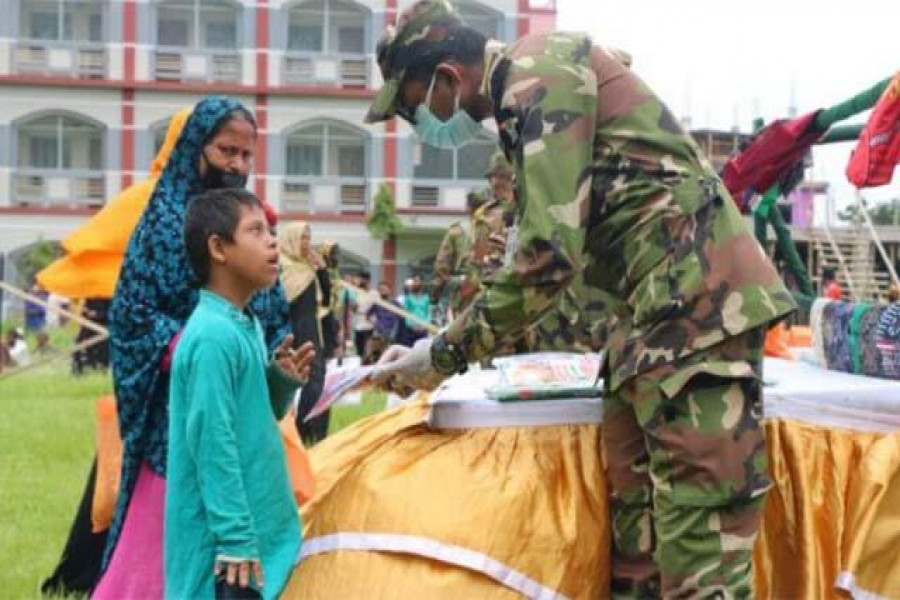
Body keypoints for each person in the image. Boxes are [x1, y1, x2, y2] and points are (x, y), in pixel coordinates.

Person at [366, 3, 796, 597]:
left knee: (702, 562)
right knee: (637, 553)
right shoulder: (525, 99)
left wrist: (438, 356)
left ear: (447, 76)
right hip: (645, 328)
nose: (420, 123)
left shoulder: (538, 71)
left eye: (416, 107)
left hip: (696, 308)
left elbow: (547, 257)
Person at [95, 96, 312, 599]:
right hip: (175, 407)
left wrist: (270, 370)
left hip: (236, 390)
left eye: (246, 155)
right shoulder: (165, 222)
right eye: (225, 151)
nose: (236, 165)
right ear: (197, 146)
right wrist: (187, 348)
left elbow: (266, 305)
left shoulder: (240, 222)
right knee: (180, 547)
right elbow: (132, 316)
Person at [167, 188, 312, 600]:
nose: (272, 242)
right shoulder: (213, 336)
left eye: (271, 231)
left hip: (249, 532)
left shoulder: (241, 323)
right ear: (218, 248)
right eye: (256, 231)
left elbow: (248, 417)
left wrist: (278, 384)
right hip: (225, 551)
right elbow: (212, 441)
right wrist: (233, 538)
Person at [279, 221, 332, 445]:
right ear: (291, 238)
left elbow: (326, 300)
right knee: (295, 382)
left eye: (308, 238)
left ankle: (316, 432)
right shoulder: (282, 266)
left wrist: (321, 270)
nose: (306, 243)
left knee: (317, 382)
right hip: (290, 332)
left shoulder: (308, 269)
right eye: (302, 238)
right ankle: (296, 430)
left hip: (312, 329)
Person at [430, 191, 483, 321]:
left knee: (460, 328)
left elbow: (442, 264)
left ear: (467, 208)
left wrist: (435, 297)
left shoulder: (456, 231)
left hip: (463, 288)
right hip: (487, 290)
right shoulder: (495, 227)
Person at [318, 241, 343, 361]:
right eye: (332, 253)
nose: (335, 257)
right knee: (325, 343)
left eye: (336, 254)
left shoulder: (335, 271)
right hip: (321, 311)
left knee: (333, 342)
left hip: (332, 311)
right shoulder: (318, 269)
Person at [72, 298, 111, 374]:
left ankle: (102, 368)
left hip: (103, 327)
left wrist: (97, 314)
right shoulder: (90, 296)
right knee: (79, 345)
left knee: (103, 349)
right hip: (88, 326)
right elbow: (84, 312)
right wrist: (85, 311)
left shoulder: (108, 295)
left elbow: (111, 312)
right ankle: (79, 369)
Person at [351, 271, 378, 357]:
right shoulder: (356, 292)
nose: (359, 281)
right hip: (358, 325)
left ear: (367, 280)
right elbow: (353, 308)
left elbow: (377, 307)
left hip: (370, 325)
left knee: (368, 349)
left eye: (361, 279)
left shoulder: (374, 293)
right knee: (359, 349)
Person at [402, 275, 431, 345]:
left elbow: (428, 313)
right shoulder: (408, 297)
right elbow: (406, 313)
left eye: (416, 281)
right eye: (414, 281)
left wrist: (425, 325)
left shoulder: (426, 297)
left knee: (421, 351)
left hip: (423, 330)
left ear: (422, 283)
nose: (415, 283)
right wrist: (411, 326)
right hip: (411, 330)